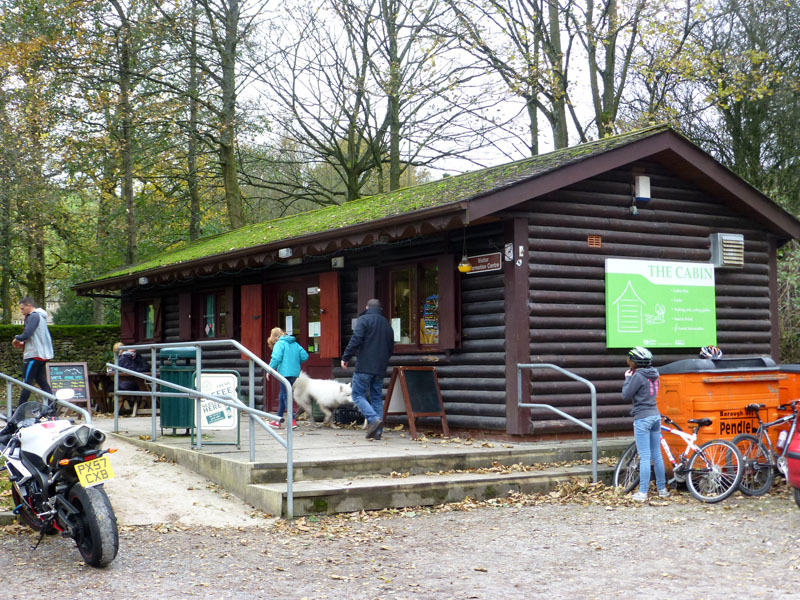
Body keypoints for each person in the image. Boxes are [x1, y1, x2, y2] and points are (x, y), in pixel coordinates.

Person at [340, 299, 395, 440]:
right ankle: (377, 433)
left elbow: (356, 339)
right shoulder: (387, 324)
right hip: (380, 367)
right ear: (380, 308)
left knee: (357, 395)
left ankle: (374, 420)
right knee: (376, 397)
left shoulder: (364, 320)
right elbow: (390, 347)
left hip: (365, 365)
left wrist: (345, 357)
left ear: (366, 307)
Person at [622, 346, 668, 502]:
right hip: (655, 415)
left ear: (634, 362)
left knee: (645, 457)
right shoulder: (654, 374)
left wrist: (628, 379)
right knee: (657, 454)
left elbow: (625, 395)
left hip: (642, 417)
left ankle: (643, 492)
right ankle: (662, 490)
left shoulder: (638, 376)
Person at [13, 297, 55, 405]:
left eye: (22, 309)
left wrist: (17, 338)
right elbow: (34, 336)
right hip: (42, 354)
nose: (22, 312)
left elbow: (27, 334)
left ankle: (19, 412)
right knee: (42, 382)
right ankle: (52, 407)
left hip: (34, 355)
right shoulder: (41, 316)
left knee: (26, 383)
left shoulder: (33, 316)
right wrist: (24, 343)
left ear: (29, 306)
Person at [267, 327, 309, 429]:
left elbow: (276, 358)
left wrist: (269, 370)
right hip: (294, 373)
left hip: (284, 373)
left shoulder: (279, 344)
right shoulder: (295, 343)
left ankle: (292, 421)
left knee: (286, 396)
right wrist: (294, 363)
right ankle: (278, 420)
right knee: (282, 395)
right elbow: (305, 356)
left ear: (275, 338)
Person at [113, 342, 151, 416]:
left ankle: (141, 405)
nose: (132, 353)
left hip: (126, 383)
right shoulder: (125, 358)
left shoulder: (138, 357)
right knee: (142, 386)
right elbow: (131, 370)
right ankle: (146, 405)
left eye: (134, 351)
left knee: (143, 385)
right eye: (131, 351)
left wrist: (137, 370)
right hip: (129, 384)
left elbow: (146, 367)